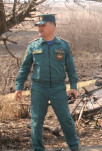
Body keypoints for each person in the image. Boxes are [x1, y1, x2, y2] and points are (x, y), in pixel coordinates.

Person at [15, 14, 79, 151]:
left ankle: (74, 146)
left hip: (58, 88)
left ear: (53, 26)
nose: (40, 28)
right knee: (36, 121)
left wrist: (73, 87)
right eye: (39, 25)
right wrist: (18, 87)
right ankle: (38, 148)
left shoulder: (63, 45)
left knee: (66, 119)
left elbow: (71, 68)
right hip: (39, 88)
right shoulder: (33, 46)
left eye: (43, 25)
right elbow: (24, 68)